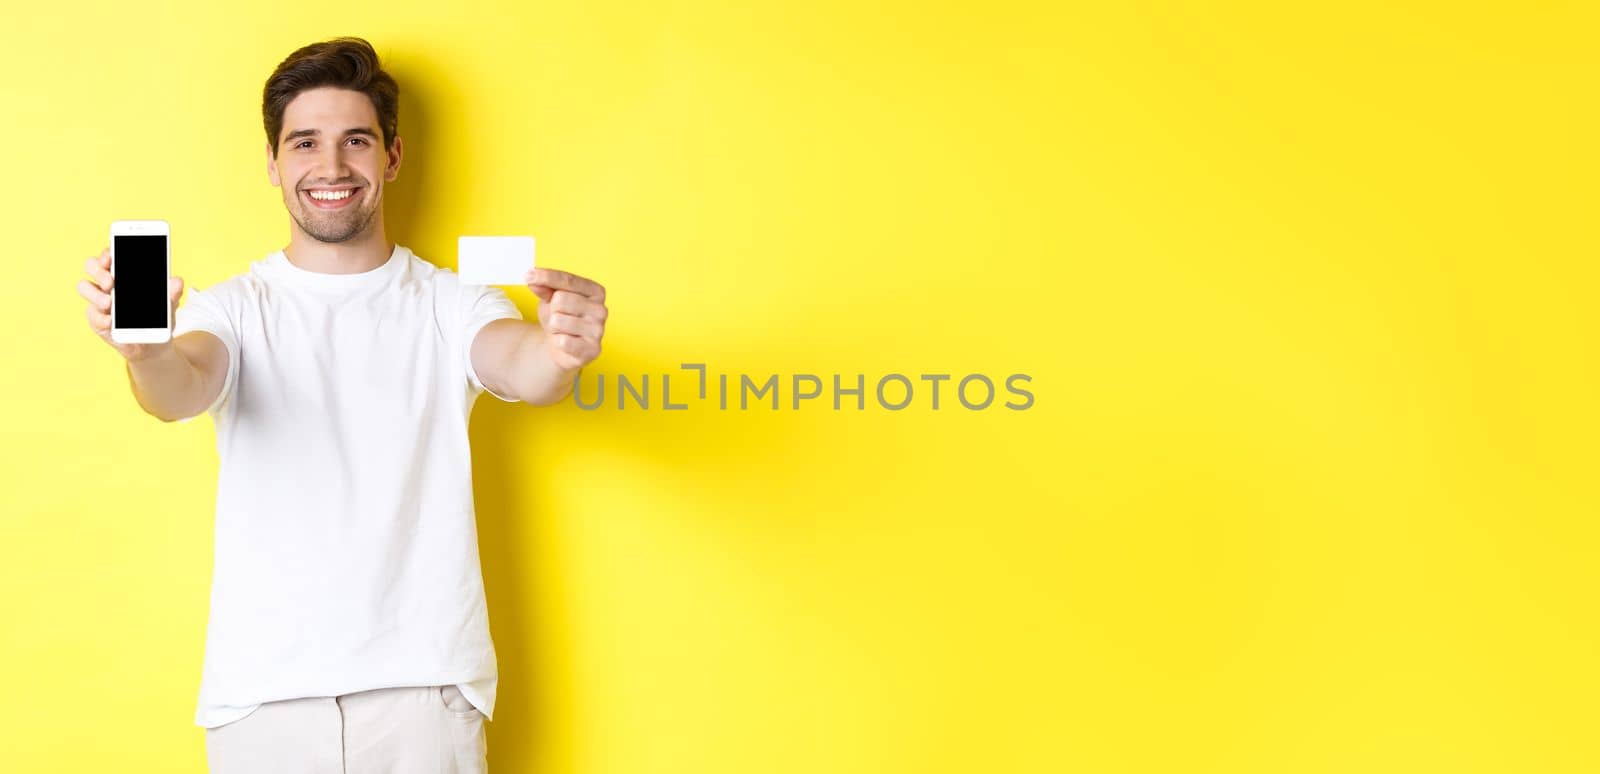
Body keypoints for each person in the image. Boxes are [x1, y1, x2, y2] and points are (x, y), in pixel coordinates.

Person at [74, 36, 608, 773]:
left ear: (390, 157)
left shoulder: (452, 303)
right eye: (305, 144)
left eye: (355, 141)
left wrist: (560, 352)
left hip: (423, 693)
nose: (330, 168)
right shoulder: (231, 310)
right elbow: (180, 388)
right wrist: (145, 351)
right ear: (273, 163)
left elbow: (521, 364)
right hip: (264, 699)